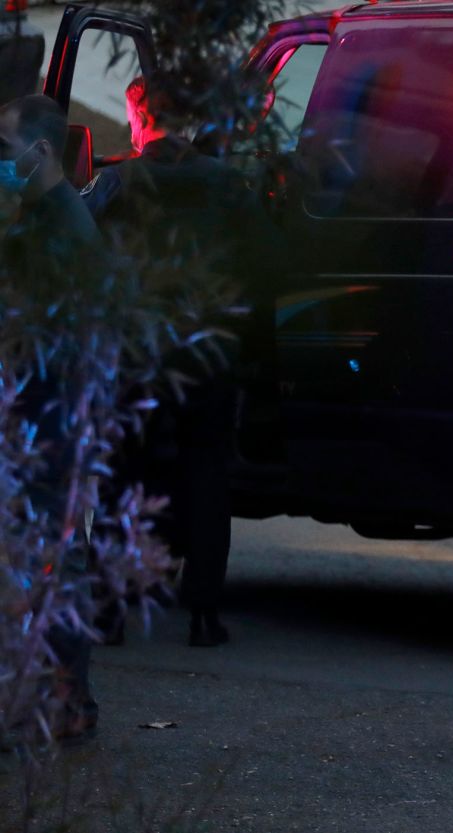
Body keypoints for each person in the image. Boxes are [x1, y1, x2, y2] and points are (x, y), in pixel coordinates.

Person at [83, 75, 279, 647]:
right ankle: (203, 614)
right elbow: (271, 258)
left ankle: (111, 609)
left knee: (122, 478)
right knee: (207, 476)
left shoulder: (117, 182)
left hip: (133, 354)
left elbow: (76, 246)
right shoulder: (227, 184)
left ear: (139, 119)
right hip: (207, 353)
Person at [0, 93, 104, 742]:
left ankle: (62, 704)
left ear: (40, 152)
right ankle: (67, 701)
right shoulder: (45, 220)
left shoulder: (60, 232)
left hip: (47, 424)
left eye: (5, 149)